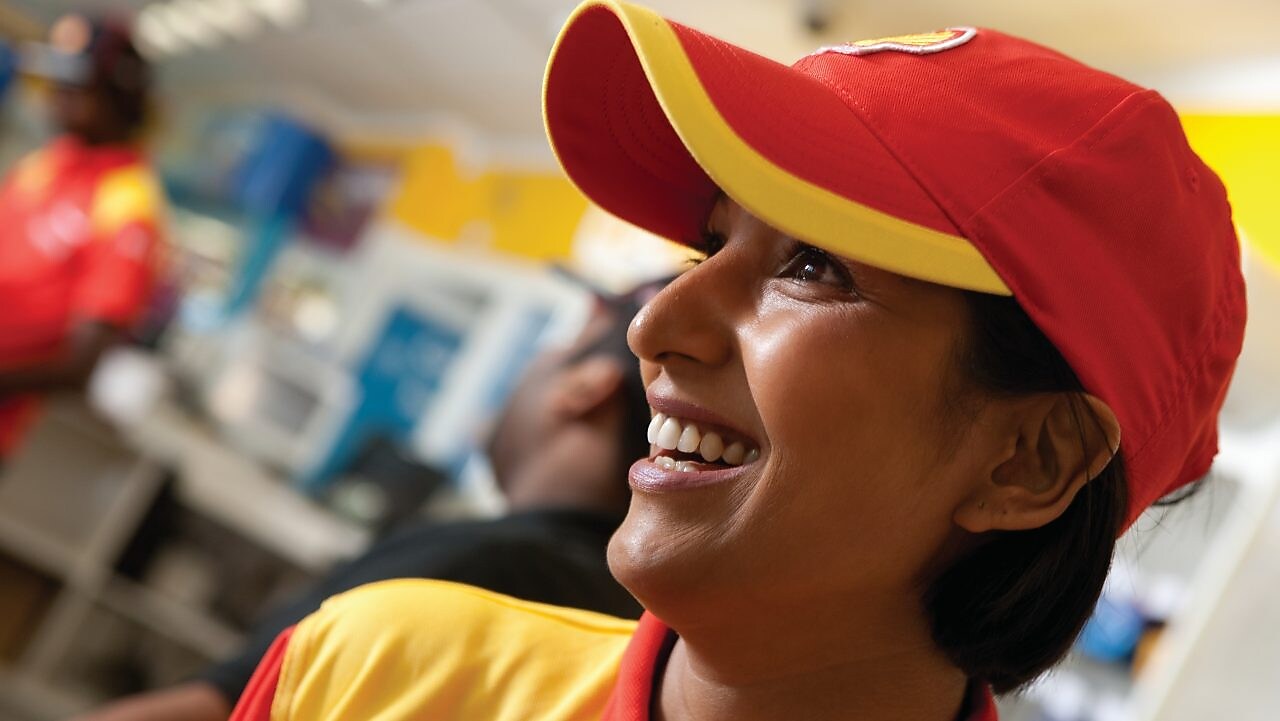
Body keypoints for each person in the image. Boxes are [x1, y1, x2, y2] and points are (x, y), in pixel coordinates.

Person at [224, 2, 1247, 720]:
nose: (655, 324)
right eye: (711, 245)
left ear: (1027, 460)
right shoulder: (376, 675)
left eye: (813, 266)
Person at [71, 281, 659, 721]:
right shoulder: (621, 608)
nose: (535, 362)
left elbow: (224, 705)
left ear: (586, 389)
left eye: (562, 345)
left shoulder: (477, 567)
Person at [0, 14, 165, 462]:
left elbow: (79, 366)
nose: (56, 97)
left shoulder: (128, 204)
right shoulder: (50, 160)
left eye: (75, 87)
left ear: (117, 95)